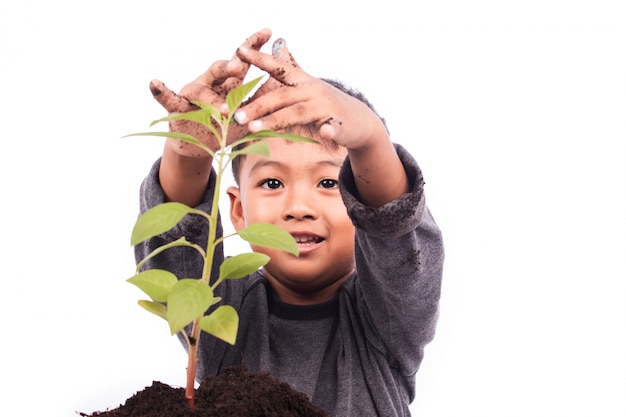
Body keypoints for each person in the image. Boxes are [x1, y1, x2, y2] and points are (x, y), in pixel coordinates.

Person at [136, 28, 444, 417]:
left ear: (360, 202)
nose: (299, 206)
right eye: (272, 182)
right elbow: (177, 255)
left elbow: (397, 232)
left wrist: (369, 140)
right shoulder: (221, 313)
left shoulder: (386, 320)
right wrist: (190, 152)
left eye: (330, 182)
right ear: (238, 211)